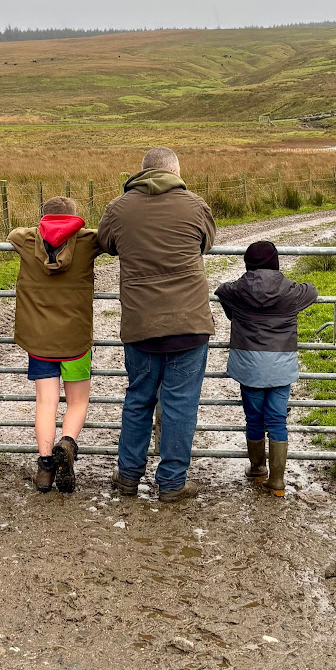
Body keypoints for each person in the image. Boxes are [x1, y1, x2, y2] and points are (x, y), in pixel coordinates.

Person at [97, 147, 215, 503]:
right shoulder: (196, 206)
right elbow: (206, 244)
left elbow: (105, 242)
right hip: (189, 321)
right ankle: (172, 483)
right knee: (181, 403)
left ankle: (128, 477)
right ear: (175, 171)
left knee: (138, 398)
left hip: (141, 323)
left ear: (142, 171)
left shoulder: (119, 208)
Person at [8, 196, 103, 493]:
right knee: (77, 401)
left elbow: (12, 234)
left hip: (39, 340)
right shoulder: (88, 241)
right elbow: (107, 239)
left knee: (45, 404)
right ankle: (69, 443)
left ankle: (45, 467)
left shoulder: (26, 240)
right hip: (75, 339)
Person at [215, 241, 318, 498]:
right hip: (281, 365)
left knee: (254, 419)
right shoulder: (290, 291)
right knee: (277, 419)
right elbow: (312, 292)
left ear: (247, 263)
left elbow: (221, 290)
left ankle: (258, 467)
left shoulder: (237, 291)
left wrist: (235, 313)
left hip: (249, 366)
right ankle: (278, 481)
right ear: (276, 262)